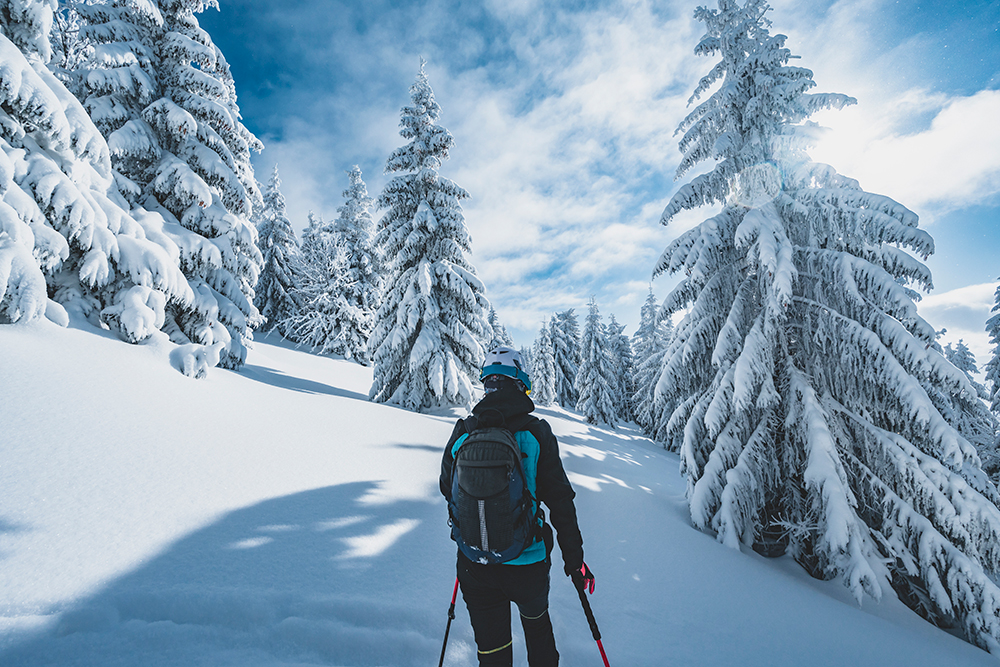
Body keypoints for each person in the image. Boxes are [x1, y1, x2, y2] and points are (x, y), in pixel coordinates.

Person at [440, 346, 595, 667]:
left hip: (474, 562)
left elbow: (447, 489)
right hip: (528, 563)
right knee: (538, 631)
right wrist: (575, 561)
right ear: (521, 383)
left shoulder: (464, 431)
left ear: (487, 385)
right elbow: (561, 502)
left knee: (492, 651)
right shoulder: (536, 432)